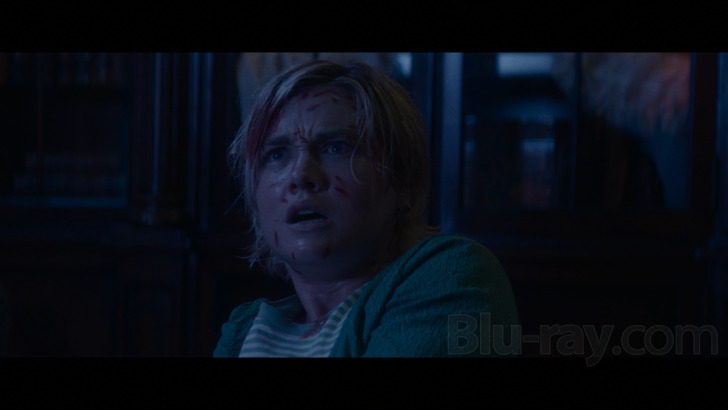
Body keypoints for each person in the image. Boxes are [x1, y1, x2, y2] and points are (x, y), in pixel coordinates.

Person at [214, 59, 519, 357]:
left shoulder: (454, 277)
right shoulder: (243, 329)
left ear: (403, 182)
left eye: (336, 148)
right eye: (276, 154)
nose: (300, 175)